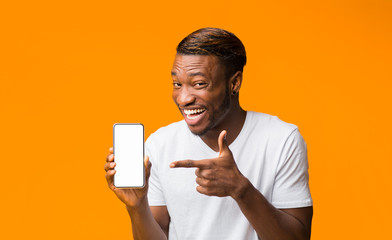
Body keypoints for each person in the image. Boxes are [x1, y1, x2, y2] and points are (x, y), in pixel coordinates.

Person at [104, 27, 313, 240]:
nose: (183, 98)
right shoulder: (160, 144)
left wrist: (240, 189)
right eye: (177, 84)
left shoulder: (281, 139)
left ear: (234, 83)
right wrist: (137, 207)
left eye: (199, 84)